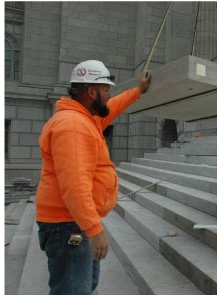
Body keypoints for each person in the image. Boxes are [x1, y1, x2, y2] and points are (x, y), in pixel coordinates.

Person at [35, 60, 151, 295]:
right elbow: (75, 187)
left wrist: (138, 91)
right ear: (91, 92)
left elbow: (113, 107)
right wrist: (95, 230)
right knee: (73, 290)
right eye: (106, 89)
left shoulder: (85, 119)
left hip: (72, 222)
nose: (109, 95)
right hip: (68, 226)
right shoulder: (73, 126)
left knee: (84, 286)